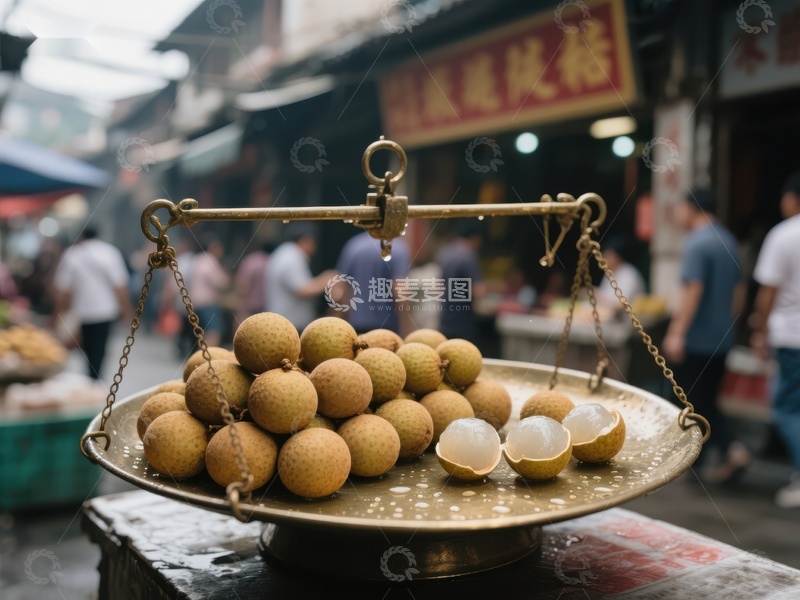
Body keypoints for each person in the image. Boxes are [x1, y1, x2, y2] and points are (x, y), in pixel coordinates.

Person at [663, 189, 749, 481]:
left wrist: (676, 332)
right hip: (722, 338)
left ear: (691, 208)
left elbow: (693, 290)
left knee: (691, 403)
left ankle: (695, 462)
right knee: (707, 400)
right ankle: (731, 451)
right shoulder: (728, 240)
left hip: (697, 341)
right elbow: (738, 292)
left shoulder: (697, 243)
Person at [751, 172, 800, 508]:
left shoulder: (784, 235)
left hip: (791, 337)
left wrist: (760, 332)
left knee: (785, 409)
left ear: (791, 198)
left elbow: (767, 293)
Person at [53, 227, 131, 379]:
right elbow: (120, 286)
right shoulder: (110, 253)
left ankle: (91, 378)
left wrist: (59, 312)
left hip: (82, 312)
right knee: (99, 349)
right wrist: (127, 311)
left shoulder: (73, 254)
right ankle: (95, 378)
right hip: (106, 312)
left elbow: (63, 290)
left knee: (86, 349)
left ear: (82, 236)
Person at [334, 231, 411, 335]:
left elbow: (340, 290)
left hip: (357, 325)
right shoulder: (396, 248)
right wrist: (406, 330)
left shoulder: (354, 245)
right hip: (386, 329)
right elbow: (400, 291)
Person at [265, 223, 335, 331]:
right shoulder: (292, 257)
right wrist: (328, 279)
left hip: (284, 321)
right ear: (306, 240)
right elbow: (302, 289)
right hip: (289, 325)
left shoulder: (285, 253)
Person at [435, 220, 487, 342]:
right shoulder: (468, 256)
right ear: (475, 238)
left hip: (444, 319)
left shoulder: (445, 252)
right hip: (463, 322)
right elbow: (478, 291)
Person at [189, 234, 229, 348]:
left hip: (195, 302)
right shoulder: (209, 260)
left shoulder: (197, 259)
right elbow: (219, 282)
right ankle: (208, 358)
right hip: (207, 303)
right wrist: (227, 280)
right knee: (214, 331)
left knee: (202, 332)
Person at [597, 234, 645, 308]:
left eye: (608, 256)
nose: (605, 260)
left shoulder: (629, 274)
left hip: (627, 318)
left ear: (618, 256)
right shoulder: (609, 273)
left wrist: (597, 295)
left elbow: (622, 303)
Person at [235, 240, 272, 323]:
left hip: (249, 305)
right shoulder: (271, 261)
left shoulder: (251, 260)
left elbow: (242, 286)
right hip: (265, 306)